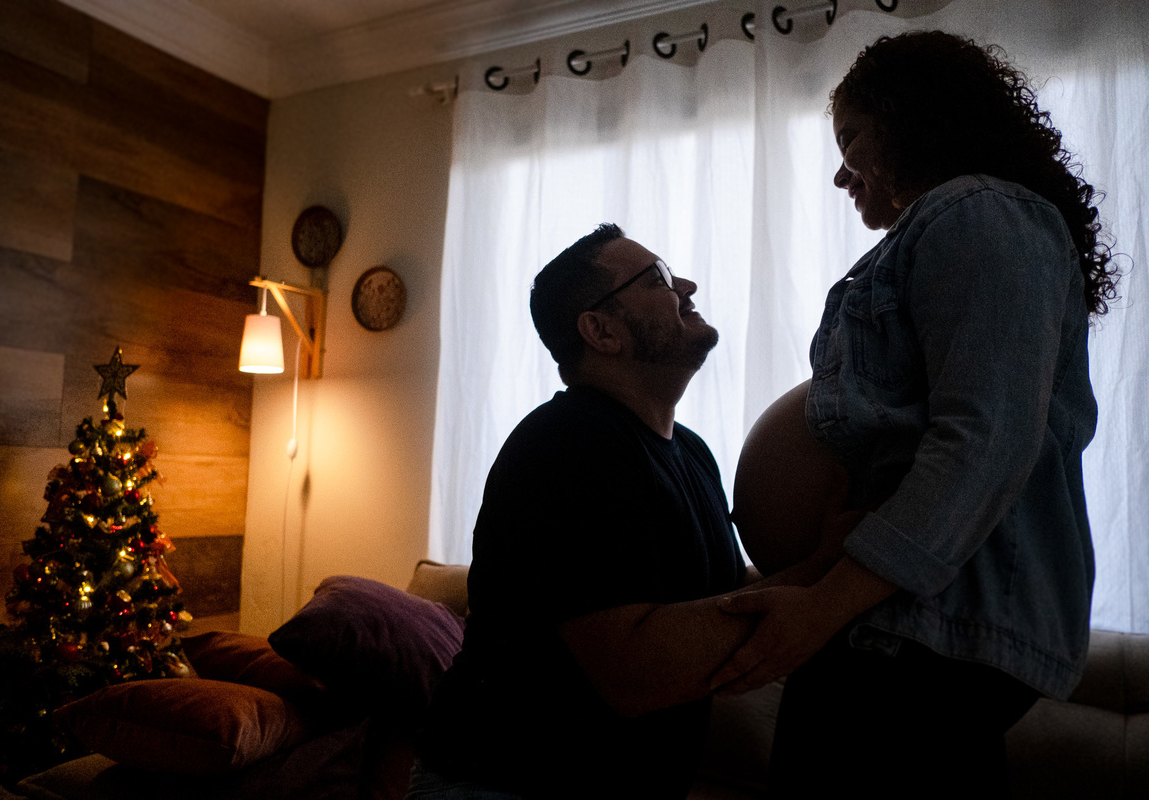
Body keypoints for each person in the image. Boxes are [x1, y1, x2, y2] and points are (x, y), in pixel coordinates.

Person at [712, 31, 1121, 798]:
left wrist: (822, 608)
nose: (841, 172)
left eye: (851, 140)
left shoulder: (979, 211)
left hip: (922, 631)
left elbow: (984, 440)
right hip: (898, 624)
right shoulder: (957, 224)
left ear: (909, 121)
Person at [409, 224, 760, 799]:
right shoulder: (567, 444)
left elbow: (724, 597)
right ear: (601, 330)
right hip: (502, 784)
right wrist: (821, 587)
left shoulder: (691, 451)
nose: (687, 287)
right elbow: (634, 673)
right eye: (659, 279)